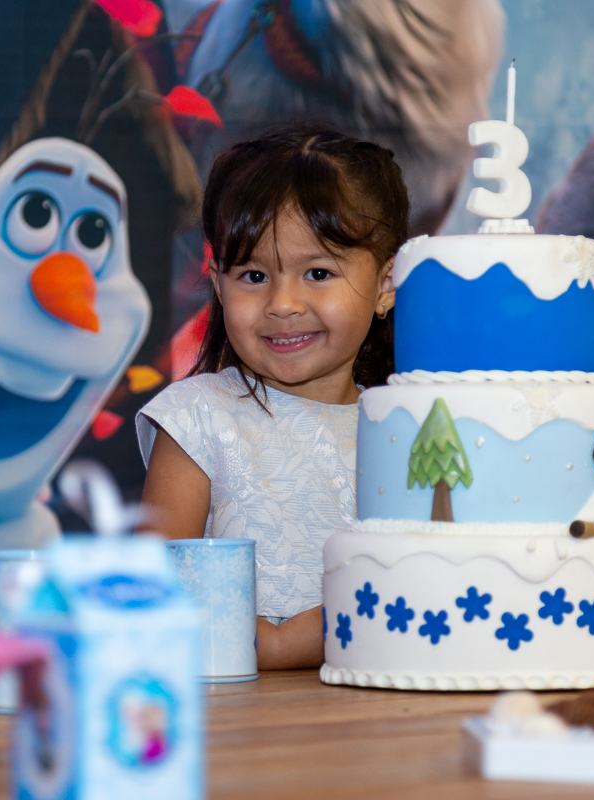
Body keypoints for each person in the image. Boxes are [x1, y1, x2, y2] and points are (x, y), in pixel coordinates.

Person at [135, 126, 409, 669]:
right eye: (254, 275)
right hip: (235, 723)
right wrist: (281, 644)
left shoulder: (407, 427)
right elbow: (151, 596)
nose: (283, 303)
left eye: (318, 273)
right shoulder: (197, 419)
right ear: (217, 285)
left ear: (385, 284)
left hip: (378, 724)